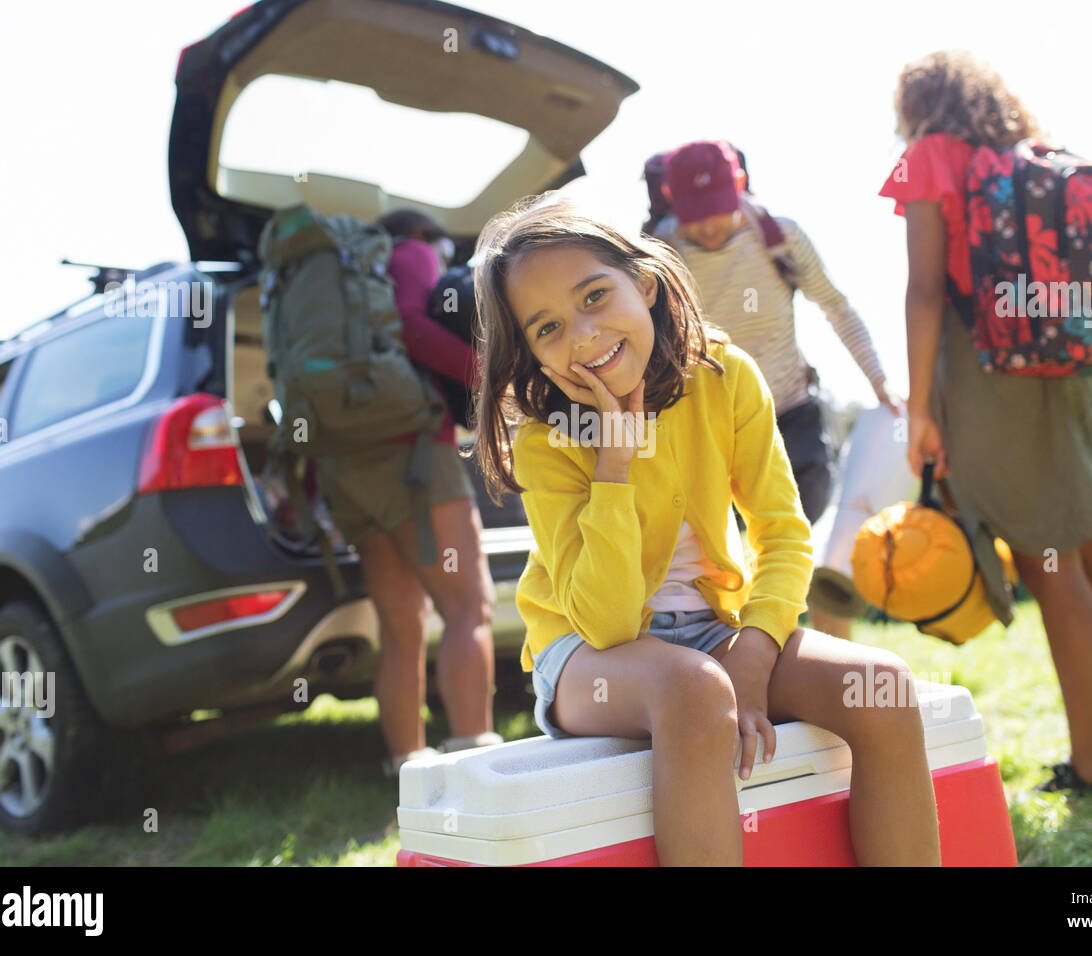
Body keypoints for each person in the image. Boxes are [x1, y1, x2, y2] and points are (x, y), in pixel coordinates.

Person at [470, 193, 940, 865]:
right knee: (693, 689)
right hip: (586, 655)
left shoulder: (725, 377)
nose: (582, 335)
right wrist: (614, 461)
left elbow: (783, 532)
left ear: (647, 283)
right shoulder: (549, 441)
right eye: (547, 329)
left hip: (717, 634)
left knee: (885, 685)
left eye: (595, 297)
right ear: (535, 359)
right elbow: (602, 621)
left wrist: (752, 652)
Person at [879, 51, 1092, 793]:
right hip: (1059, 364)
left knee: (1052, 566)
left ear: (915, 104)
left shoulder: (929, 158)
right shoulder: (1025, 157)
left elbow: (923, 291)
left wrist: (920, 409)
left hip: (985, 374)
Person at [653, 140, 902, 640]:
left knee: (804, 540)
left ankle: (834, 663)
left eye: (718, 211)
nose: (707, 226)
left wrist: (880, 381)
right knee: (716, 558)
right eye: (694, 214)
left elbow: (836, 306)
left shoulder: (778, 237)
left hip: (789, 410)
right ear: (670, 199)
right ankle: (741, 657)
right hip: (708, 426)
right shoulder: (660, 254)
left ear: (740, 187)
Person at [316, 208, 500, 777]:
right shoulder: (411, 254)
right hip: (415, 453)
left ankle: (407, 765)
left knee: (401, 626)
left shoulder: (336, 288)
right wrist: (487, 380)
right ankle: (474, 756)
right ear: (425, 236)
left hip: (346, 464)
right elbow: (414, 326)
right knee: (467, 606)